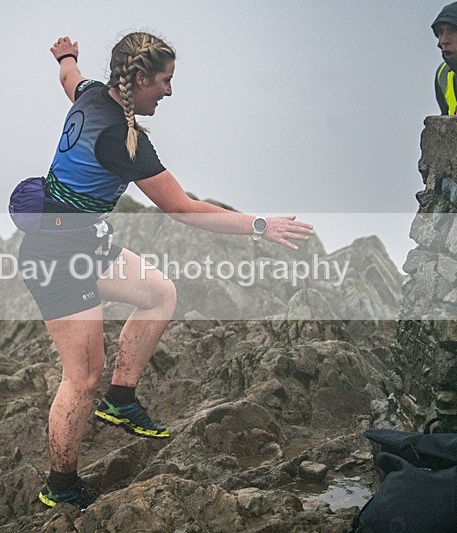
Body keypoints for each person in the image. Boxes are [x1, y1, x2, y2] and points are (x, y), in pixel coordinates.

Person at [19, 32, 314, 511]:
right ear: (137, 80)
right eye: (164, 81)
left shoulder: (93, 91)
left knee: (159, 292)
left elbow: (68, 78)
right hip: (55, 257)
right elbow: (182, 208)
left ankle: (122, 399)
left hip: (85, 243)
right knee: (81, 376)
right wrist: (260, 225)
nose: (169, 92)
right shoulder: (123, 140)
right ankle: (62, 485)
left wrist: (67, 56)